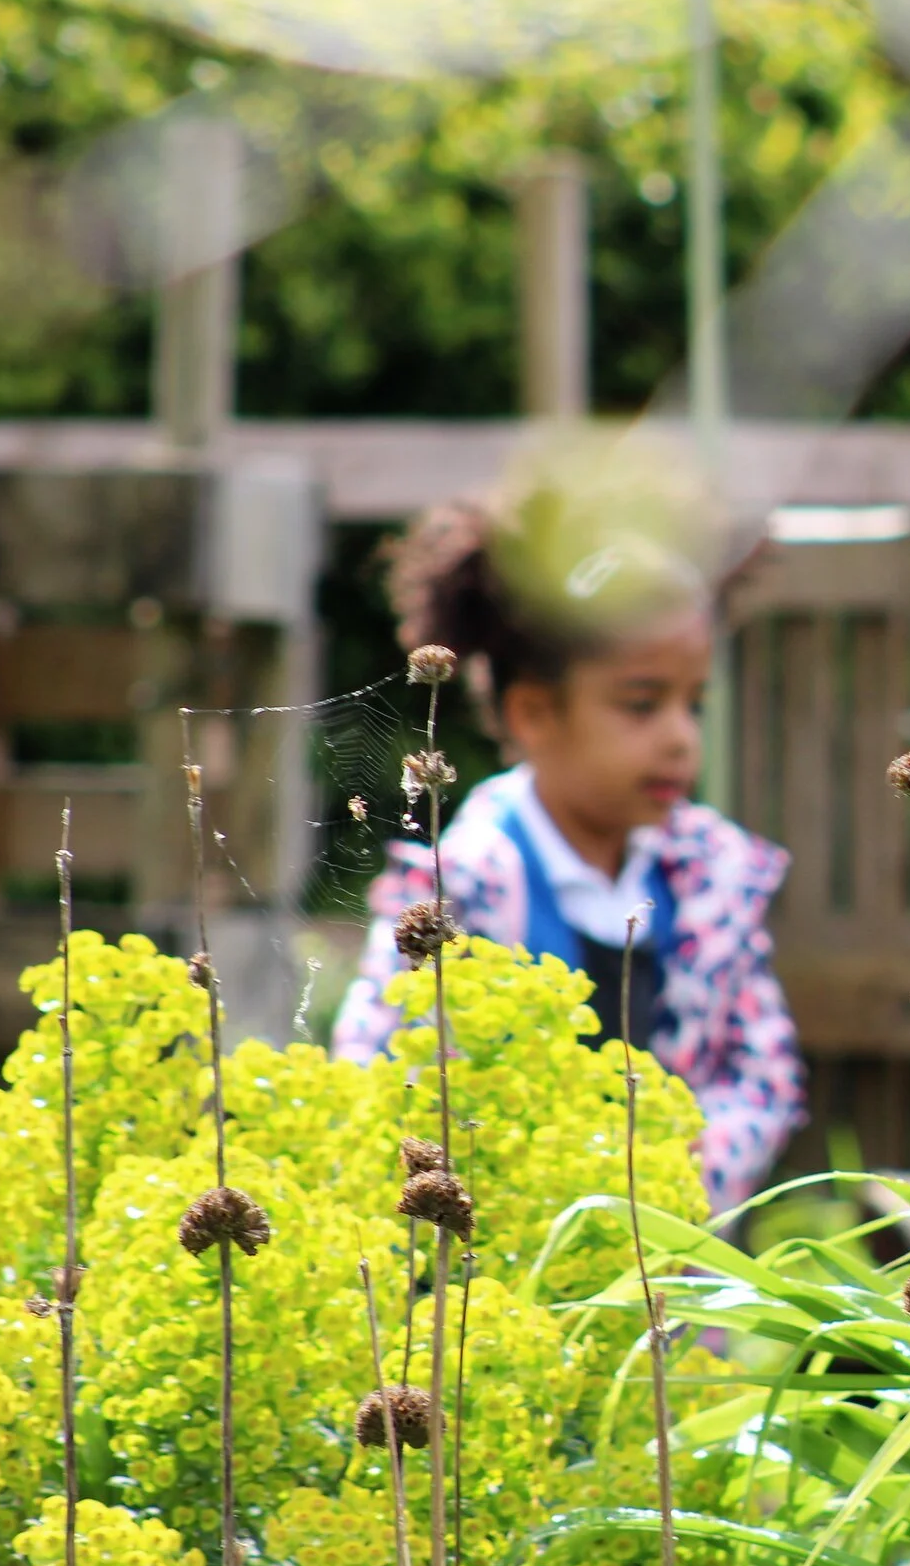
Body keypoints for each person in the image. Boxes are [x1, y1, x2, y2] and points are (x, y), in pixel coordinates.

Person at [332, 491, 805, 1216]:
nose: (681, 738)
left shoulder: (714, 879)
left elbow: (762, 1073)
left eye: (695, 703)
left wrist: (691, 1163)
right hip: (504, 1252)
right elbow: (378, 1066)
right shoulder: (460, 888)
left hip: (678, 1255)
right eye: (642, 704)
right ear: (534, 713)